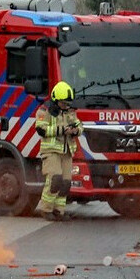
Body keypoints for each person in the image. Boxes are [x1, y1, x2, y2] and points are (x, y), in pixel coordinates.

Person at [34, 80, 82, 220]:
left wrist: (75, 131)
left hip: (67, 151)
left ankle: (59, 211)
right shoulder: (45, 110)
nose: (65, 106)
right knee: (55, 179)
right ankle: (46, 209)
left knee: (66, 183)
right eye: (63, 103)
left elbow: (80, 126)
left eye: (67, 103)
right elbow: (41, 129)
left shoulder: (70, 111)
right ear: (56, 100)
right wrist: (62, 130)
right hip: (51, 151)